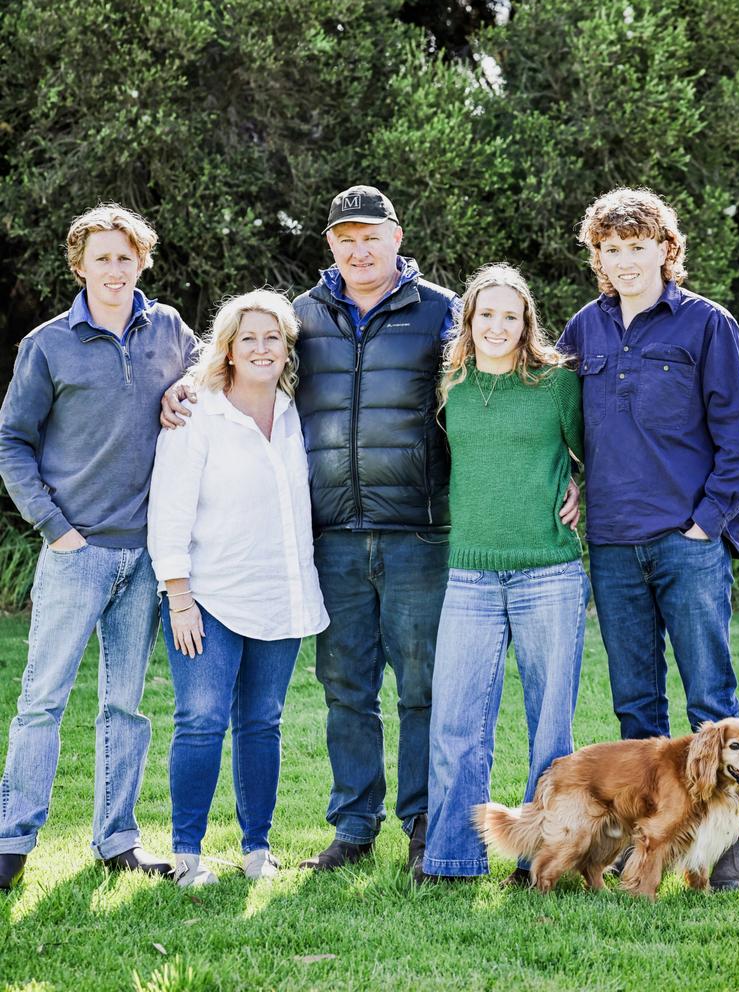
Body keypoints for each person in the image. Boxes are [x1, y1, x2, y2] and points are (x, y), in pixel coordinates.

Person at [161, 185, 580, 873]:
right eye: (346, 238)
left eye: (371, 236)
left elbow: (514, 380)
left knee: (423, 688)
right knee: (346, 688)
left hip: (421, 534)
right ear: (331, 245)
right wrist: (181, 387)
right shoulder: (301, 317)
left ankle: (423, 824)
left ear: (396, 238)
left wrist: (570, 473)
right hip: (334, 538)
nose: (359, 249)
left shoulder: (444, 312)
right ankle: (355, 827)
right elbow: (246, 362)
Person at [559, 187, 739, 891]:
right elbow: (561, 421)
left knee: (711, 700)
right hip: (613, 543)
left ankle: (728, 848)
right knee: (636, 708)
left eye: (637, 247)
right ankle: (640, 845)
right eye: (610, 250)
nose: (624, 262)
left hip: (688, 540)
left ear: (666, 250)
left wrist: (707, 519)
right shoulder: (583, 330)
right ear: (599, 258)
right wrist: (570, 480)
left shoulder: (708, 325)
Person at [0, 204, 196, 891]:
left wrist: (185, 390)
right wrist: (57, 530)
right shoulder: (47, 346)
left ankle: (117, 842)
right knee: (42, 700)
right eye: (101, 258)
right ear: (78, 265)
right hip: (75, 554)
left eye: (126, 256)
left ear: (143, 261)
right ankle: (11, 841)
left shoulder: (170, 329)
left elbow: (212, 381)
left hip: (146, 556)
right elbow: (12, 443)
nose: (115, 269)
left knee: (125, 706)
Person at [148, 290, 328, 887]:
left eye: (272, 337)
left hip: (279, 594)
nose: (260, 347)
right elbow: (168, 511)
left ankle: (257, 851)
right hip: (208, 599)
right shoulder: (197, 412)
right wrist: (178, 596)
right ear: (227, 347)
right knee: (200, 719)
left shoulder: (296, 412)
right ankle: (187, 855)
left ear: (286, 348)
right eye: (247, 337)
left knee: (262, 722)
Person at [419, 263, 589, 884]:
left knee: (551, 725)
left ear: (526, 324)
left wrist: (582, 489)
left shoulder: (555, 384)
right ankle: (451, 858)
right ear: (468, 320)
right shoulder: (449, 385)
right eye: (485, 314)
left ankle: (539, 859)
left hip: (550, 572)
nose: (496, 325)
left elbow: (597, 454)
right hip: (468, 576)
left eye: (509, 316)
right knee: (456, 721)